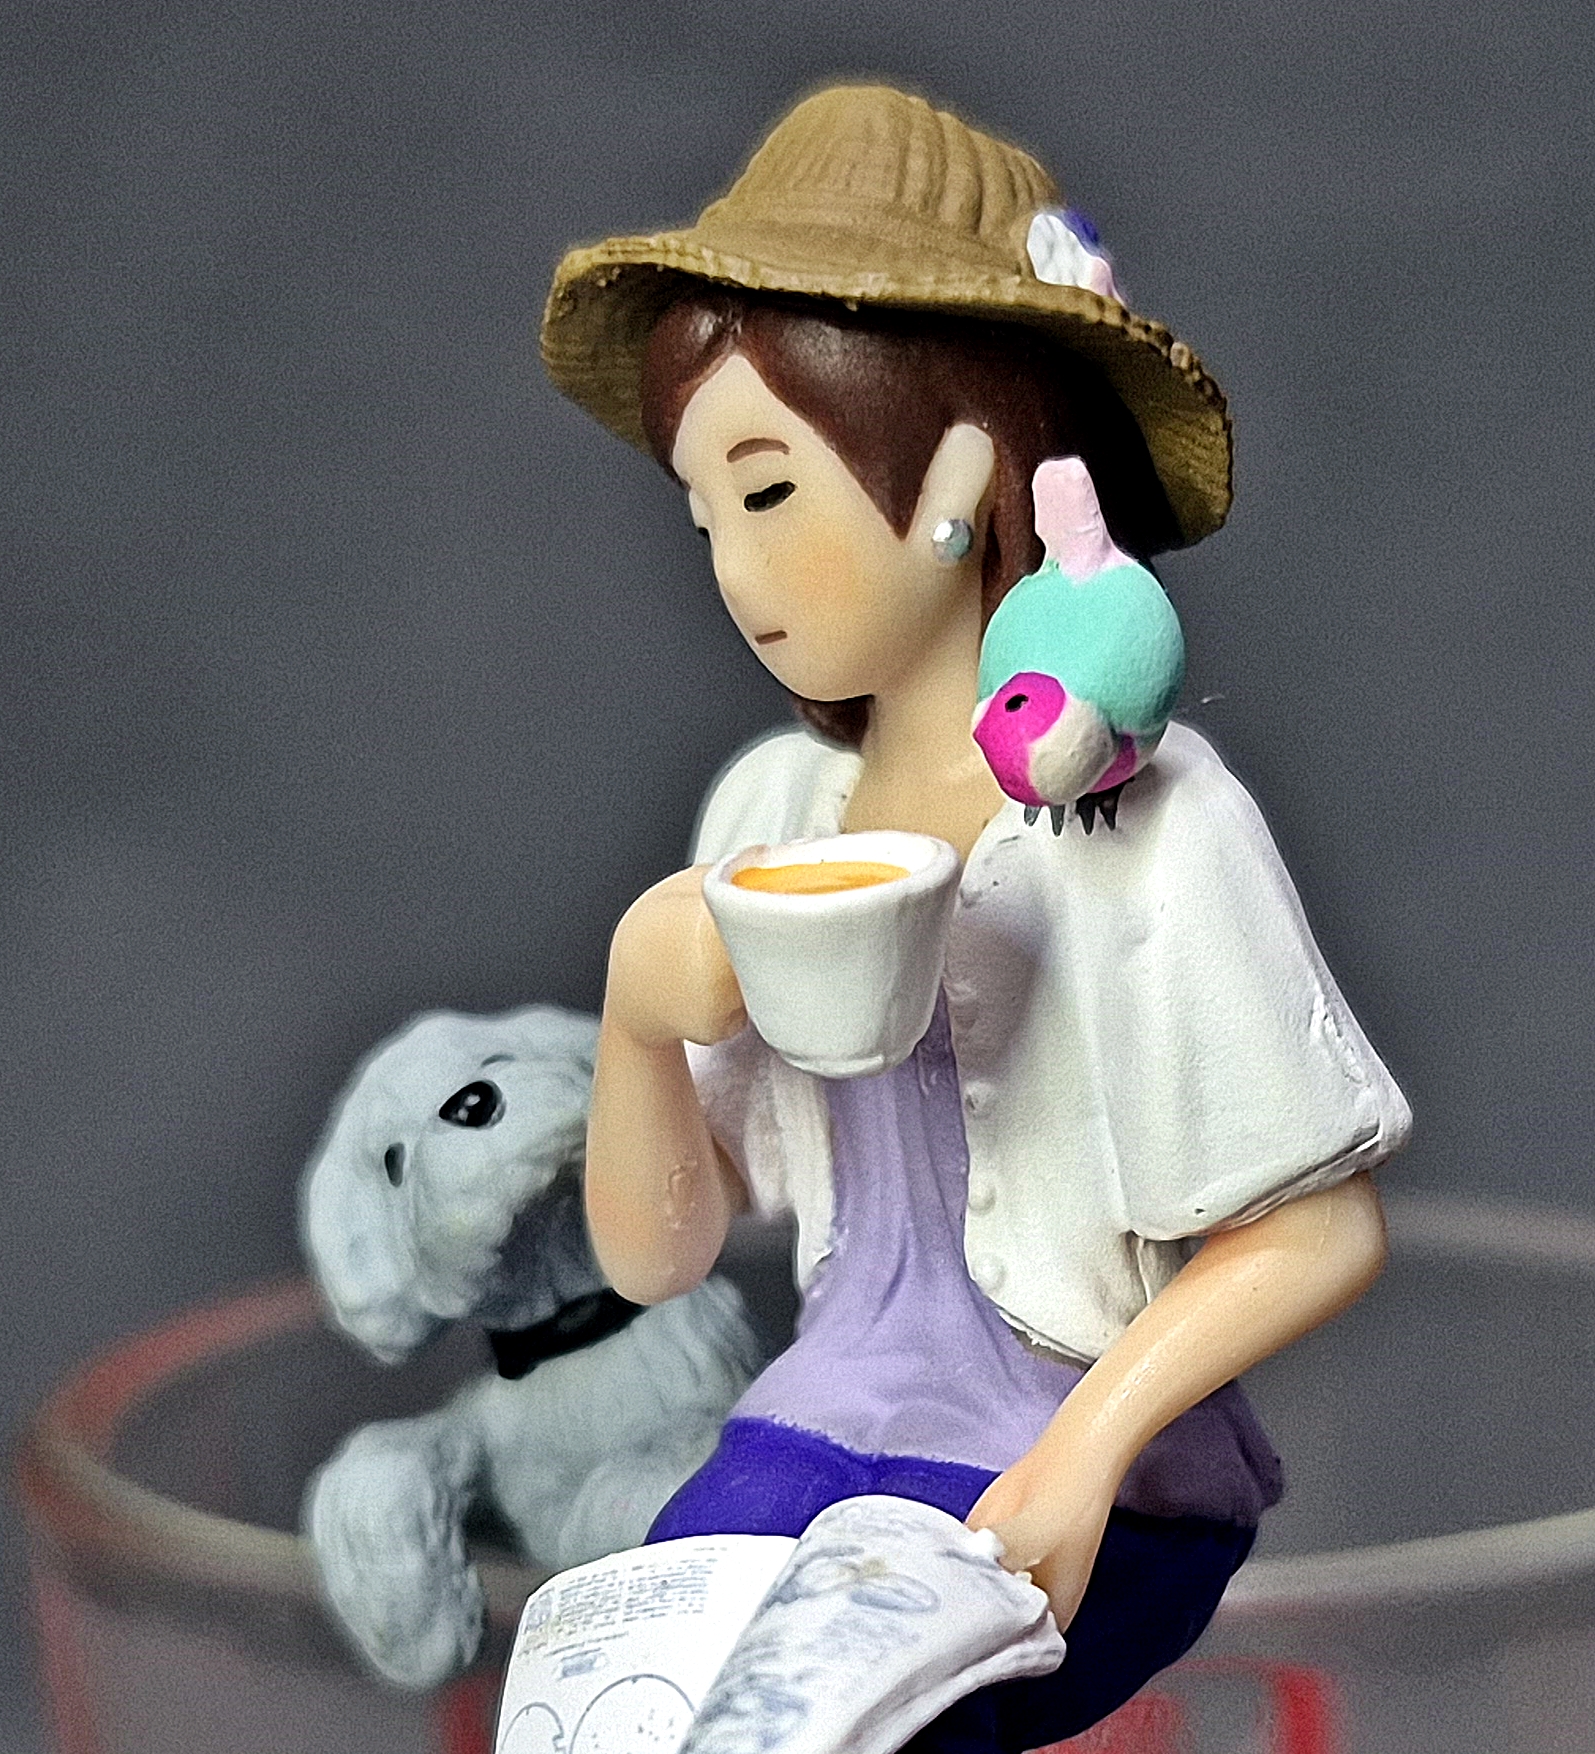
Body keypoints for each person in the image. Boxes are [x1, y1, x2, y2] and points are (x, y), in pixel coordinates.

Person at [541, 84, 1410, 1749]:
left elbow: (1320, 1229)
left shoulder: (1145, 826)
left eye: (770, 494)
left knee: (867, 1724)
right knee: (641, 1697)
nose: (734, 571)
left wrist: (1082, 1454)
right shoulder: (770, 813)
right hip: (825, 1414)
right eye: (704, 513)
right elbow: (658, 1254)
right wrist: (641, 1017)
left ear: (955, 472)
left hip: (1084, 1450)